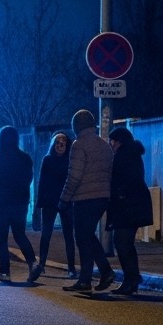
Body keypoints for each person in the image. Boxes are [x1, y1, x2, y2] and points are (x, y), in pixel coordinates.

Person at [59, 109, 115, 292]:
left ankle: (87, 279)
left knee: (83, 238)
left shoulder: (78, 145)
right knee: (88, 236)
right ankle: (101, 272)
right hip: (103, 197)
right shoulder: (104, 144)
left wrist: (64, 199)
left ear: (76, 126)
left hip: (84, 197)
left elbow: (74, 176)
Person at [0, 125, 37, 282]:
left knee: (2, 239)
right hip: (20, 202)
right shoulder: (25, 159)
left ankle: (5, 272)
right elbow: (29, 179)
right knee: (20, 235)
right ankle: (33, 263)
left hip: (2, 203)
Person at [106, 126, 153, 295]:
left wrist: (118, 196)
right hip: (133, 205)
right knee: (126, 244)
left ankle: (130, 279)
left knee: (122, 243)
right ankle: (132, 278)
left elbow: (121, 181)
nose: (110, 144)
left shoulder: (124, 156)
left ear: (119, 141)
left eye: (112, 141)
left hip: (127, 207)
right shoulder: (132, 154)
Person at [31, 131, 77, 282]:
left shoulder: (70, 160)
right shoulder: (48, 160)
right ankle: (42, 263)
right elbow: (41, 182)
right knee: (46, 234)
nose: (60, 145)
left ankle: (71, 268)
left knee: (69, 235)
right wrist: (38, 206)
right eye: (57, 143)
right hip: (50, 201)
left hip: (66, 201)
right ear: (53, 144)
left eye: (63, 143)